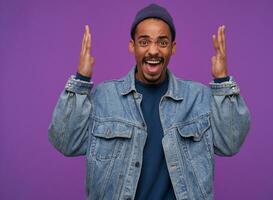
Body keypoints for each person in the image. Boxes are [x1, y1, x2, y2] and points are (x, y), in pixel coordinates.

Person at [48, 3, 250, 200]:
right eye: (144, 42)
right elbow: (66, 143)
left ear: (173, 48)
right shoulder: (103, 97)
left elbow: (229, 143)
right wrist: (81, 81)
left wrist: (222, 80)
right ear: (132, 46)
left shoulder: (197, 97)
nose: (153, 51)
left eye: (162, 42)